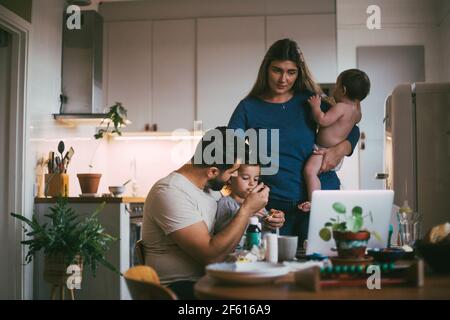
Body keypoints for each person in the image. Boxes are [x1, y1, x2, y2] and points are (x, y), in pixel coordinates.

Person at [228, 38, 360, 247]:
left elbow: (352, 127)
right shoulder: (248, 107)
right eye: (277, 70)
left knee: (323, 267)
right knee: (278, 269)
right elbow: (227, 148)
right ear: (266, 70)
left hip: (319, 199)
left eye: (291, 72)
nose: (283, 79)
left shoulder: (309, 100)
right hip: (275, 209)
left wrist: (342, 148)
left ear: (299, 73)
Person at [142, 127, 285, 299]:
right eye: (231, 172)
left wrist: (263, 218)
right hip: (180, 289)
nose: (231, 177)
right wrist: (247, 210)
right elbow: (212, 256)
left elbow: (229, 227)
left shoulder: (210, 190)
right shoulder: (170, 192)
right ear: (212, 171)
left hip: (210, 280)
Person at [299, 69, 370, 211]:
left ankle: (314, 200)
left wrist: (316, 107)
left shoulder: (340, 107)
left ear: (343, 90)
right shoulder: (357, 113)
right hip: (334, 153)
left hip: (322, 150)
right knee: (313, 172)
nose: (334, 90)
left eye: (336, 86)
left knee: (309, 171)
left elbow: (323, 120)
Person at [214, 162, 283, 249]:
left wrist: (271, 219)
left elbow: (263, 230)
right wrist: (248, 214)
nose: (252, 183)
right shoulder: (225, 203)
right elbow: (222, 234)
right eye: (245, 178)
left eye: (256, 179)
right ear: (230, 178)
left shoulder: (258, 204)